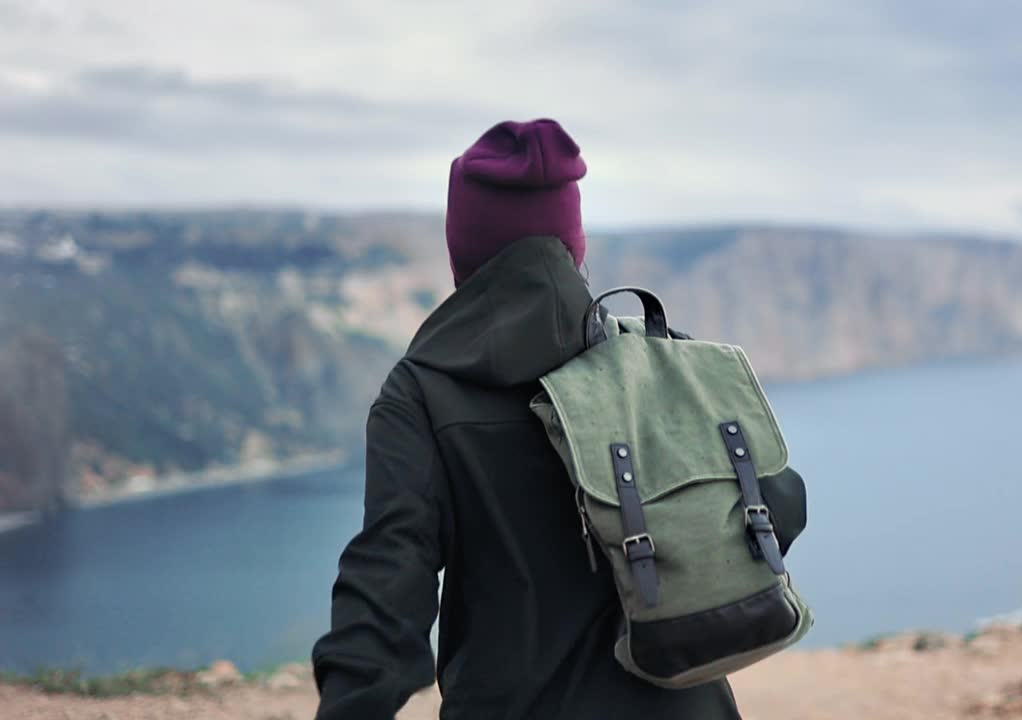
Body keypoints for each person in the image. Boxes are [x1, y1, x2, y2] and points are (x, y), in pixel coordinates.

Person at [312, 119, 804, 719]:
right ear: (575, 244)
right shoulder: (659, 360)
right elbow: (780, 509)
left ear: (463, 251)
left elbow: (388, 577)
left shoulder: (419, 394)